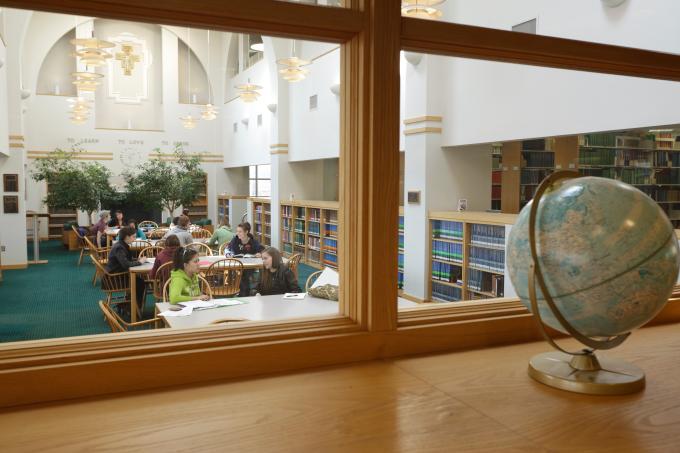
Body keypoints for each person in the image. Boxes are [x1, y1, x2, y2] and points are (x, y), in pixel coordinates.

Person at [105, 226, 147, 310]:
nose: (135, 239)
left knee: (139, 280)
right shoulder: (119, 247)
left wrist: (136, 260)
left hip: (116, 274)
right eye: (134, 236)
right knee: (140, 283)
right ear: (127, 237)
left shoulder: (121, 244)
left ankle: (131, 305)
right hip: (115, 278)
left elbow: (125, 260)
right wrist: (139, 262)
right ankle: (134, 308)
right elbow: (125, 264)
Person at [226, 222, 264, 296]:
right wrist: (228, 254)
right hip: (237, 265)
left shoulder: (253, 241)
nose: (237, 233)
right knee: (242, 274)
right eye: (237, 231)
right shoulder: (235, 240)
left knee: (244, 274)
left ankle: (243, 293)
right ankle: (244, 292)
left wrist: (260, 254)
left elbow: (263, 251)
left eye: (240, 231)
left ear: (246, 232)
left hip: (250, 266)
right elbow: (227, 249)